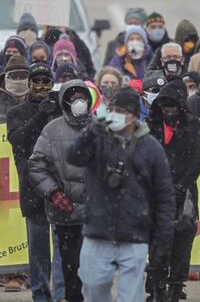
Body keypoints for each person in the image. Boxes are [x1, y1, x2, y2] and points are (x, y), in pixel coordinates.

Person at [67, 88, 175, 302]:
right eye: (113, 109)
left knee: (130, 297)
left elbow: (164, 194)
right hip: (98, 230)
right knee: (93, 288)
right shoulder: (98, 138)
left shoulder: (151, 147)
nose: (116, 114)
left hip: (134, 233)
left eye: (122, 110)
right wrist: (90, 131)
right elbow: (73, 156)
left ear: (135, 115)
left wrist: (163, 236)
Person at [28, 80, 94, 302]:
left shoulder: (101, 128)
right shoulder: (52, 129)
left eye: (82, 97)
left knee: (93, 269)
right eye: (74, 97)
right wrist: (54, 193)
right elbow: (37, 166)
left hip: (95, 214)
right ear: (65, 100)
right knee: (70, 268)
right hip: (65, 214)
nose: (79, 102)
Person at [6, 62, 66, 300]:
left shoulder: (61, 109)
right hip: (32, 187)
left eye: (46, 82)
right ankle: (41, 293)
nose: (41, 86)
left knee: (62, 245)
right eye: (36, 82)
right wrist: (40, 114)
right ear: (28, 84)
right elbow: (18, 141)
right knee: (38, 247)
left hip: (61, 187)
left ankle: (61, 293)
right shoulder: (16, 113)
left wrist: (56, 110)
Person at [147, 80, 200, 302]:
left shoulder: (192, 125)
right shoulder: (151, 124)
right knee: (157, 240)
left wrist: (181, 186)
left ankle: (175, 287)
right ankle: (157, 287)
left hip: (185, 190)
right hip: (157, 191)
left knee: (182, 240)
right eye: (164, 106)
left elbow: (198, 159)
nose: (167, 111)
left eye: (171, 106)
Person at [0, 54, 30, 119]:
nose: (18, 79)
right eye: (13, 76)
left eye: (23, 76)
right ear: (5, 77)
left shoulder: (37, 100)